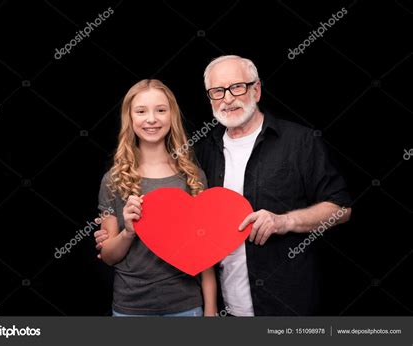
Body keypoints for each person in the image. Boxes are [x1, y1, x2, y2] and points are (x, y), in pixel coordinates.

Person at [195, 55, 352, 315]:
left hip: (286, 309)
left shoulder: (299, 142)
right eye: (217, 91)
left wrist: (284, 222)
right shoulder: (203, 151)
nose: (227, 98)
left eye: (237, 87)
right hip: (226, 310)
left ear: (256, 90)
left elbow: (342, 208)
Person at [96, 79, 217, 317]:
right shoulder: (113, 179)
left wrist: (211, 308)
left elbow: (206, 251)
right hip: (130, 307)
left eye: (161, 110)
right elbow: (109, 256)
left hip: (186, 306)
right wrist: (128, 232)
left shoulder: (192, 176)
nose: (151, 119)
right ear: (130, 119)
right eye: (141, 111)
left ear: (172, 116)